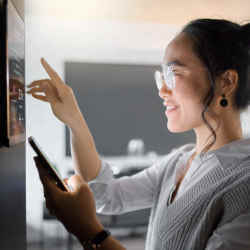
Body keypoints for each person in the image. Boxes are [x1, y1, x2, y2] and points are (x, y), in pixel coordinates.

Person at [27, 18, 250, 250]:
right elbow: (105, 194)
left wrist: (88, 230)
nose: (162, 90)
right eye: (161, 76)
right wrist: (74, 119)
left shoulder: (244, 182)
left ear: (226, 82)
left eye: (173, 72)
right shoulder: (179, 161)